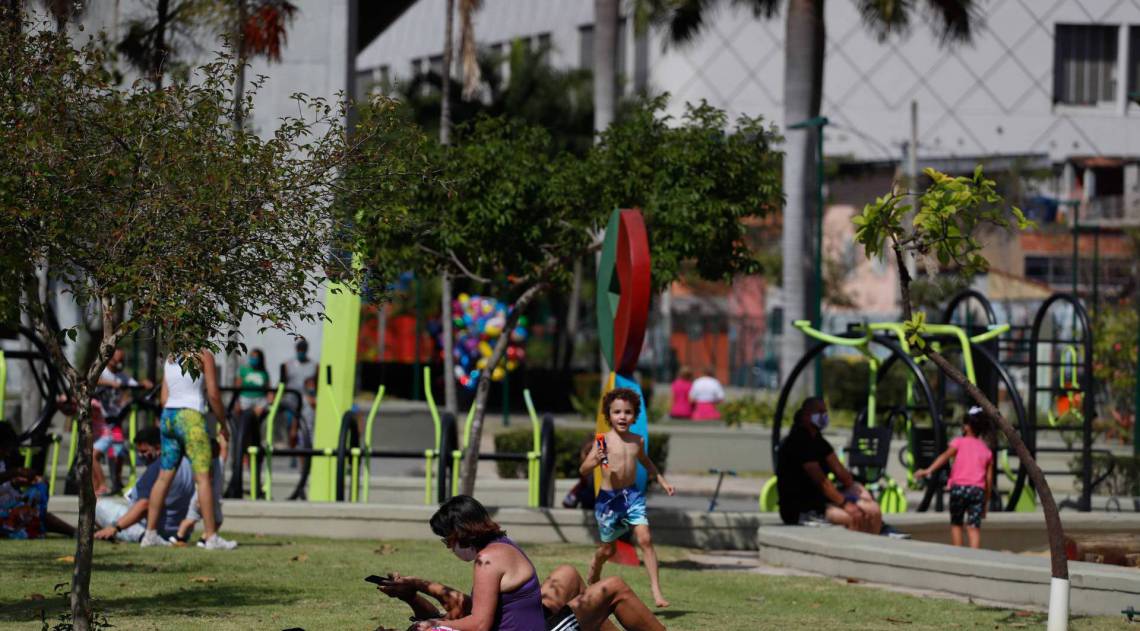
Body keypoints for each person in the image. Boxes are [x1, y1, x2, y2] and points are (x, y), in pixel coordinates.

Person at [372, 495, 666, 631]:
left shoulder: (487, 560)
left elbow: (478, 619)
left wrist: (426, 612)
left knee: (587, 580)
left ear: (462, 532)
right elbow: (472, 613)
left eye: (447, 540)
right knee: (604, 585)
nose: (448, 547)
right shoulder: (498, 546)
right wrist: (416, 591)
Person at [580, 388, 675, 608]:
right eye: (617, 412)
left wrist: (662, 481)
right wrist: (595, 460)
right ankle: (596, 563)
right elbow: (583, 470)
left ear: (634, 415)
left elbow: (647, 463)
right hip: (608, 501)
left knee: (645, 539)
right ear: (609, 415)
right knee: (608, 550)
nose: (622, 416)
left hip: (631, 496)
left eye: (628, 412)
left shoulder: (637, 441)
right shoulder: (602, 441)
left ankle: (657, 591)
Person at [141, 349, 236, 550]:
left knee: (163, 477)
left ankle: (150, 534)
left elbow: (164, 399)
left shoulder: (170, 356)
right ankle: (211, 537)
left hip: (169, 418)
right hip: (191, 418)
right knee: (203, 478)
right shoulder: (204, 354)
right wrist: (223, 425)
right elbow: (213, 394)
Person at [775, 397, 882, 534]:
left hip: (821, 503)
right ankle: (852, 551)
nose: (824, 416)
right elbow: (822, 482)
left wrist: (860, 493)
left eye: (825, 412)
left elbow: (842, 474)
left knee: (872, 510)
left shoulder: (819, 441)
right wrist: (846, 504)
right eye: (820, 412)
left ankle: (873, 546)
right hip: (800, 509)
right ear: (806, 416)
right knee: (852, 517)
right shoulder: (798, 441)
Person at [93, 426, 196, 543]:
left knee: (96, 506)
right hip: (179, 531)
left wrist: (115, 527)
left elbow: (144, 505)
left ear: (158, 448)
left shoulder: (158, 467)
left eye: (144, 451)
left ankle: (142, 537)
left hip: (152, 529)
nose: (141, 456)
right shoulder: (186, 462)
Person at [915, 405, 994, 549]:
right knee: (973, 527)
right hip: (977, 491)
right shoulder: (986, 450)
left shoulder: (958, 442)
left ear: (967, 427)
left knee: (956, 523)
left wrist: (928, 470)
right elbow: (989, 480)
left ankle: (958, 554)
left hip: (959, 489)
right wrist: (985, 504)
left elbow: (944, 457)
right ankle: (974, 556)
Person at [93, 348, 154, 494]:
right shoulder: (101, 372)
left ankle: (116, 482)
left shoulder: (122, 376)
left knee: (118, 453)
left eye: (121, 360)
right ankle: (100, 484)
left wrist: (143, 384)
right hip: (100, 422)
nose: (119, 363)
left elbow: (134, 384)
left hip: (115, 420)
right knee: (93, 455)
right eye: (117, 359)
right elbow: (92, 380)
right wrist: (110, 383)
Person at [0, 423, 74, 539]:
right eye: (5, 448)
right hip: (4, 512)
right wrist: (16, 472)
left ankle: (75, 532)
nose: (8, 452)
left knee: (39, 489)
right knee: (28, 514)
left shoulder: (2, 461)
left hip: (7, 506)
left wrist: (17, 482)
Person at [171, 438, 225, 546]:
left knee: (190, 519)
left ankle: (178, 536)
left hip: (197, 497)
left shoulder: (207, 463)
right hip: (206, 498)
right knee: (217, 520)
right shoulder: (214, 464)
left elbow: (224, 449)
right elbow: (207, 482)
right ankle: (204, 539)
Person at [280, 337, 314, 465]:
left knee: (304, 429)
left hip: (305, 400)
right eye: (299, 350)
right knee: (291, 429)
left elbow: (315, 382)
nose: (301, 352)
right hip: (291, 400)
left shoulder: (313, 365)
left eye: (303, 350)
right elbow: (282, 382)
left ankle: (302, 457)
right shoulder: (288, 365)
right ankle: (293, 451)